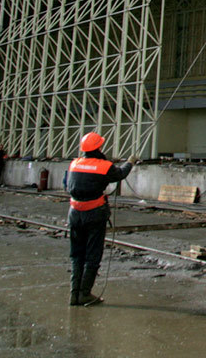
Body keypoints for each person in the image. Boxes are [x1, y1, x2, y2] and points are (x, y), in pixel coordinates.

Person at [66, 131, 135, 307]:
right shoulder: (104, 166)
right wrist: (130, 162)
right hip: (94, 214)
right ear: (99, 147)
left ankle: (74, 295)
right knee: (92, 254)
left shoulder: (74, 164)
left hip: (74, 213)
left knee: (77, 255)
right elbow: (119, 174)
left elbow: (67, 185)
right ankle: (85, 294)